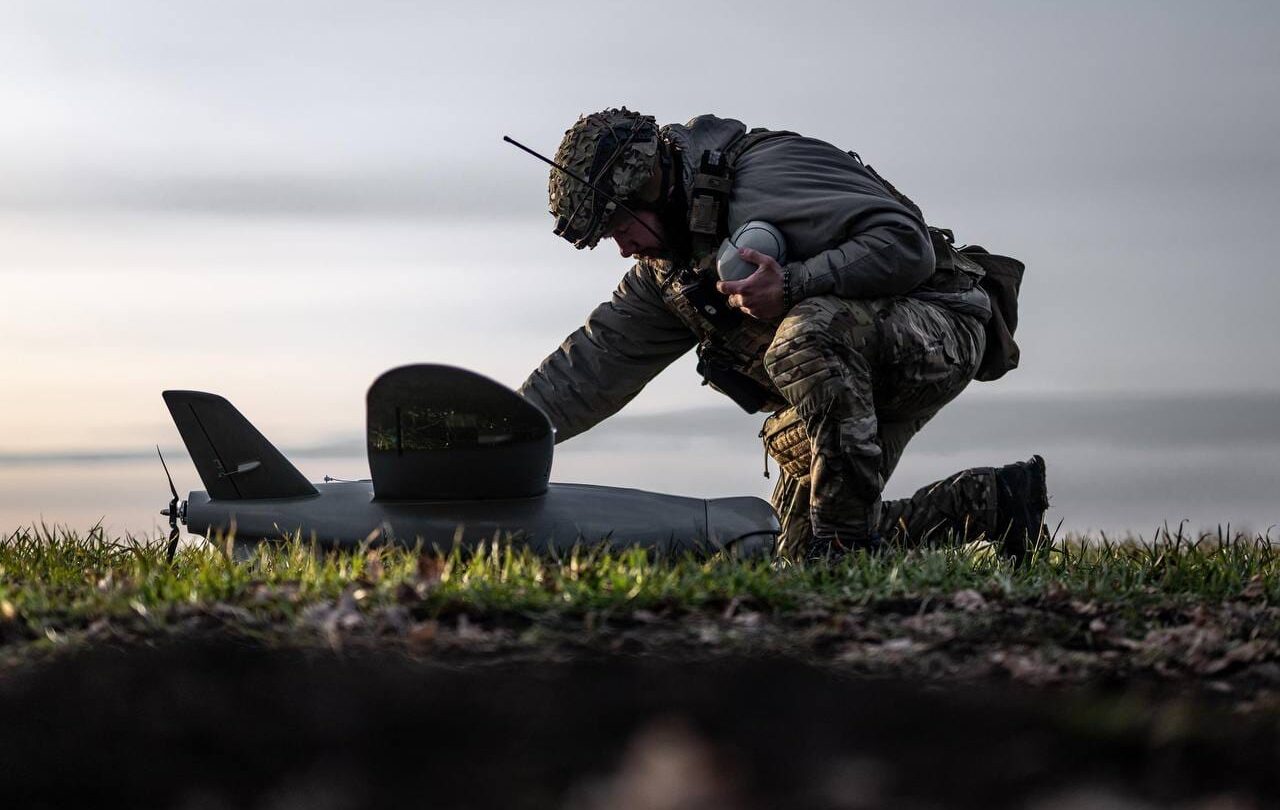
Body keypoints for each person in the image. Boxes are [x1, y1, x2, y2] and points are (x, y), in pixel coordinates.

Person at [517, 108, 1048, 560]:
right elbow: (591, 365)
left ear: (647, 186)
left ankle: (845, 550)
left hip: (939, 325)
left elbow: (907, 245)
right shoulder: (667, 274)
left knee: (805, 340)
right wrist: (494, 433)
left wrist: (793, 283)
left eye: (619, 228)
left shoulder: (769, 175)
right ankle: (991, 504)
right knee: (793, 553)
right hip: (845, 371)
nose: (623, 247)